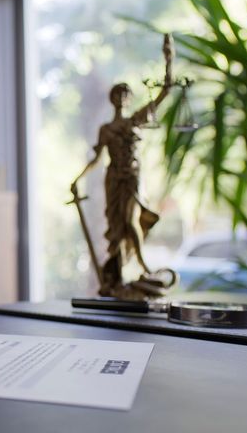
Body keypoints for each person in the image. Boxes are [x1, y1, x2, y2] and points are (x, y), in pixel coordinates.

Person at [70, 33, 176, 299]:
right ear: (112, 99)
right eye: (118, 94)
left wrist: (169, 60)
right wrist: (77, 179)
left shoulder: (135, 122)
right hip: (113, 180)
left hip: (131, 178)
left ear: (129, 99)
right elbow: (96, 159)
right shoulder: (106, 129)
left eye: (126, 95)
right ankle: (117, 277)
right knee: (116, 227)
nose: (122, 98)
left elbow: (166, 91)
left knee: (130, 221)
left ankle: (143, 267)